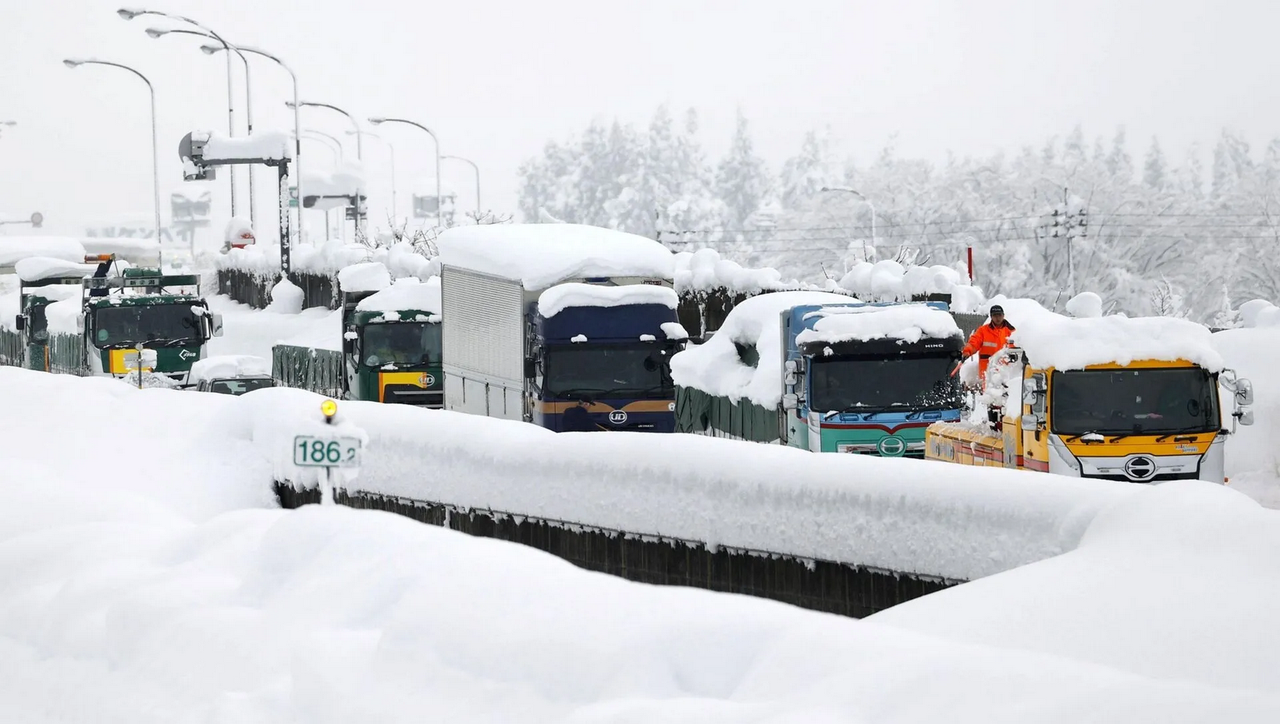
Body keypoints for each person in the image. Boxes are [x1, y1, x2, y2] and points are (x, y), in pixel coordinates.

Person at [964, 304, 1016, 381]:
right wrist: (967, 351)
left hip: (1005, 371)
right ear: (991, 317)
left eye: (999, 315)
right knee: (987, 392)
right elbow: (974, 343)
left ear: (1003, 315)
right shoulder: (983, 331)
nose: (997, 318)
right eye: (995, 315)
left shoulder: (1011, 332)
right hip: (986, 370)